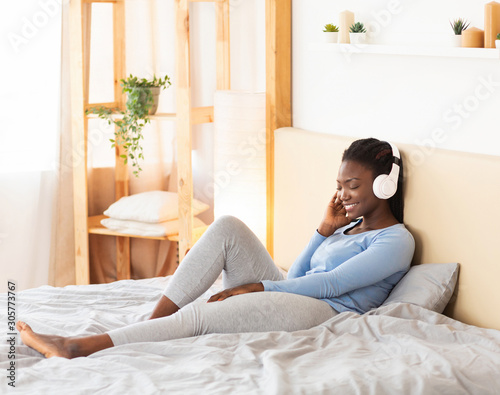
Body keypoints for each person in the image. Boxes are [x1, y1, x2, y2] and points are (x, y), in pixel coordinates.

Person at [16, 138, 415, 359]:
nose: (342, 194)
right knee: (227, 226)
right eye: (340, 185)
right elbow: (297, 278)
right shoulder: (347, 227)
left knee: (205, 313)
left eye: (354, 186)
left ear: (385, 186)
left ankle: (74, 347)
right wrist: (323, 231)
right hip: (300, 294)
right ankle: (149, 324)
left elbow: (330, 284)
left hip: (326, 312)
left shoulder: (396, 240)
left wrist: (257, 288)